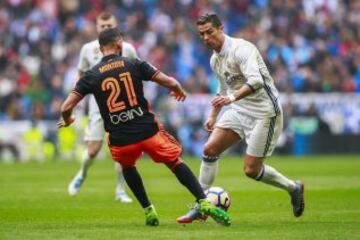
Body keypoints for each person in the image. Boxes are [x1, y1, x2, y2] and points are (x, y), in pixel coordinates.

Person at [58, 28, 231, 226]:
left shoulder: (91, 75)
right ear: (119, 45)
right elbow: (169, 81)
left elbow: (66, 106)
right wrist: (178, 89)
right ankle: (203, 201)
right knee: (174, 162)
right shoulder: (133, 63)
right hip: (148, 131)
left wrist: (68, 118)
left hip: (121, 138)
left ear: (100, 49)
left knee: (127, 166)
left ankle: (149, 211)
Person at [177, 13, 305, 223]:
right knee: (209, 149)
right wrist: (213, 115)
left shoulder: (241, 49)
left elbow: (256, 81)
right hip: (239, 109)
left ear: (221, 28)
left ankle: (293, 187)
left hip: (265, 112)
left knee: (251, 170)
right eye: (202, 35)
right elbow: (222, 89)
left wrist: (232, 97)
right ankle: (201, 205)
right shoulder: (214, 59)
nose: (206, 38)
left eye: (210, 32)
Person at [68, 12, 137, 202]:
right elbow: (81, 76)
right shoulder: (88, 49)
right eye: (103, 26)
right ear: (97, 28)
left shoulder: (128, 49)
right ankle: (82, 174)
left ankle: (120, 190)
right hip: (98, 105)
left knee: (123, 149)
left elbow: (136, 73)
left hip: (123, 104)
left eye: (109, 26)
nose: (106, 29)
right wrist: (76, 101)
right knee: (93, 149)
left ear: (116, 27)